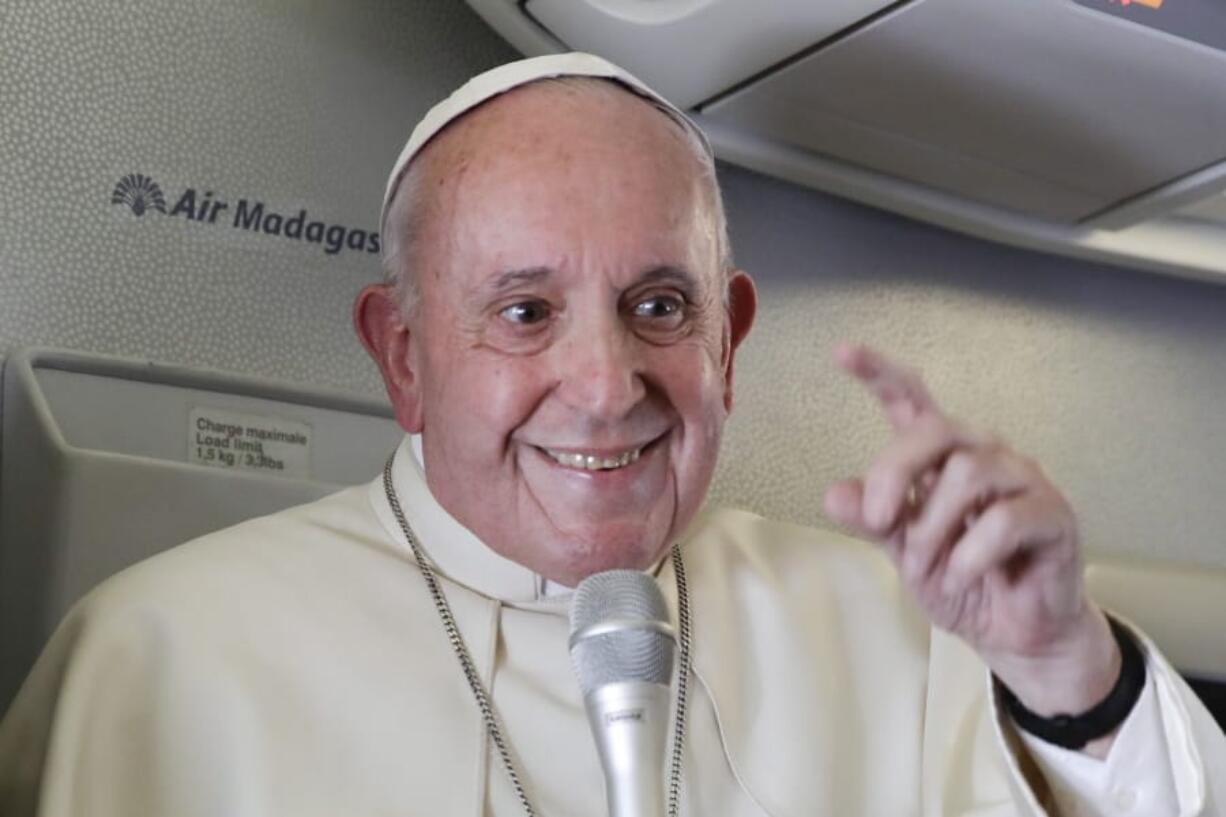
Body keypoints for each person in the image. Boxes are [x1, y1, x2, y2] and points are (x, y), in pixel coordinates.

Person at [1, 52, 1222, 817]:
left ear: (727, 339)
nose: (603, 385)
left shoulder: (892, 628)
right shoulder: (161, 654)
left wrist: (1066, 669)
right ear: (405, 356)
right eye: (523, 313)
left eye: (657, 306)